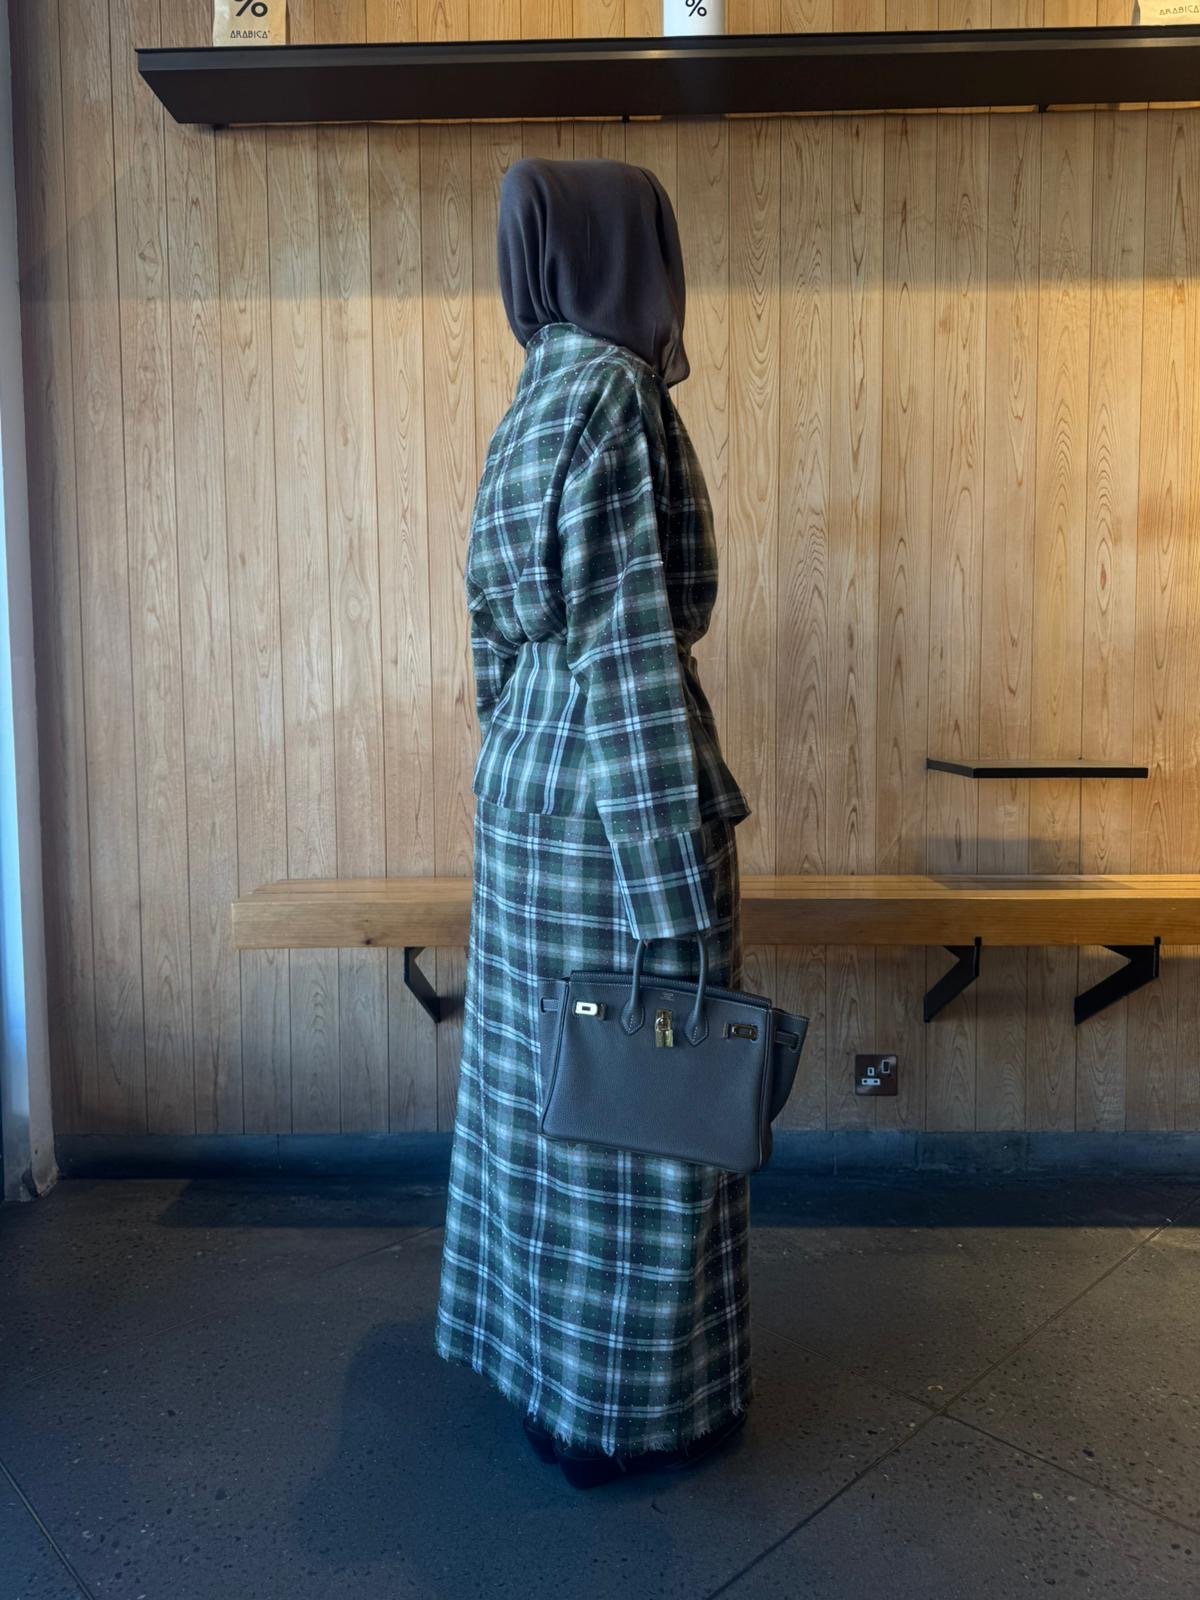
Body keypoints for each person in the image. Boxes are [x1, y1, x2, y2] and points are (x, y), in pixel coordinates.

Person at [434, 156, 751, 1490]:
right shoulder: (617, 394)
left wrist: (524, 765)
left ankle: (546, 1384)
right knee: (645, 1116)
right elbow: (628, 656)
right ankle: (622, 1418)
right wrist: (677, 896)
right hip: (616, 803)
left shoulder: (534, 395)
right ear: (636, 253)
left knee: (545, 1106)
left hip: (526, 793)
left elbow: (491, 640)